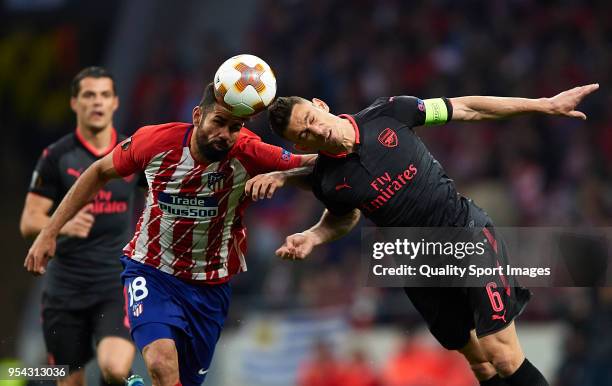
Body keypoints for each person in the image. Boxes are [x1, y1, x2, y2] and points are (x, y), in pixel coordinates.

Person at [260, 83, 599, 386]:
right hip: (419, 267)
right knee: (480, 363)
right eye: (304, 134)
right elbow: (343, 218)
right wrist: (314, 237)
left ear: (320, 104)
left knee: (502, 355)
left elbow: (466, 108)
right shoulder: (328, 181)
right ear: (297, 142)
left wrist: (543, 103)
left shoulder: (389, 113)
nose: (315, 130)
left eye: (310, 118)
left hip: (464, 234)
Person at [24, 81, 315, 386]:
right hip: (151, 270)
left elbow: (311, 167)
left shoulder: (249, 151)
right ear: (197, 115)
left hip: (210, 287)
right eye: (219, 122)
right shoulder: (154, 142)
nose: (225, 135)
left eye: (235, 127)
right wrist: (49, 232)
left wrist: (286, 173)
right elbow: (98, 171)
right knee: (155, 362)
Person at [20, 67, 138, 386]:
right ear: (74, 103)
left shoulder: (132, 153)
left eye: (104, 95)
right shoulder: (56, 156)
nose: (97, 102)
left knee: (114, 369)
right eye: (88, 95)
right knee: (69, 381)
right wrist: (63, 225)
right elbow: (29, 221)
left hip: (115, 285)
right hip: (64, 292)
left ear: (115, 102)